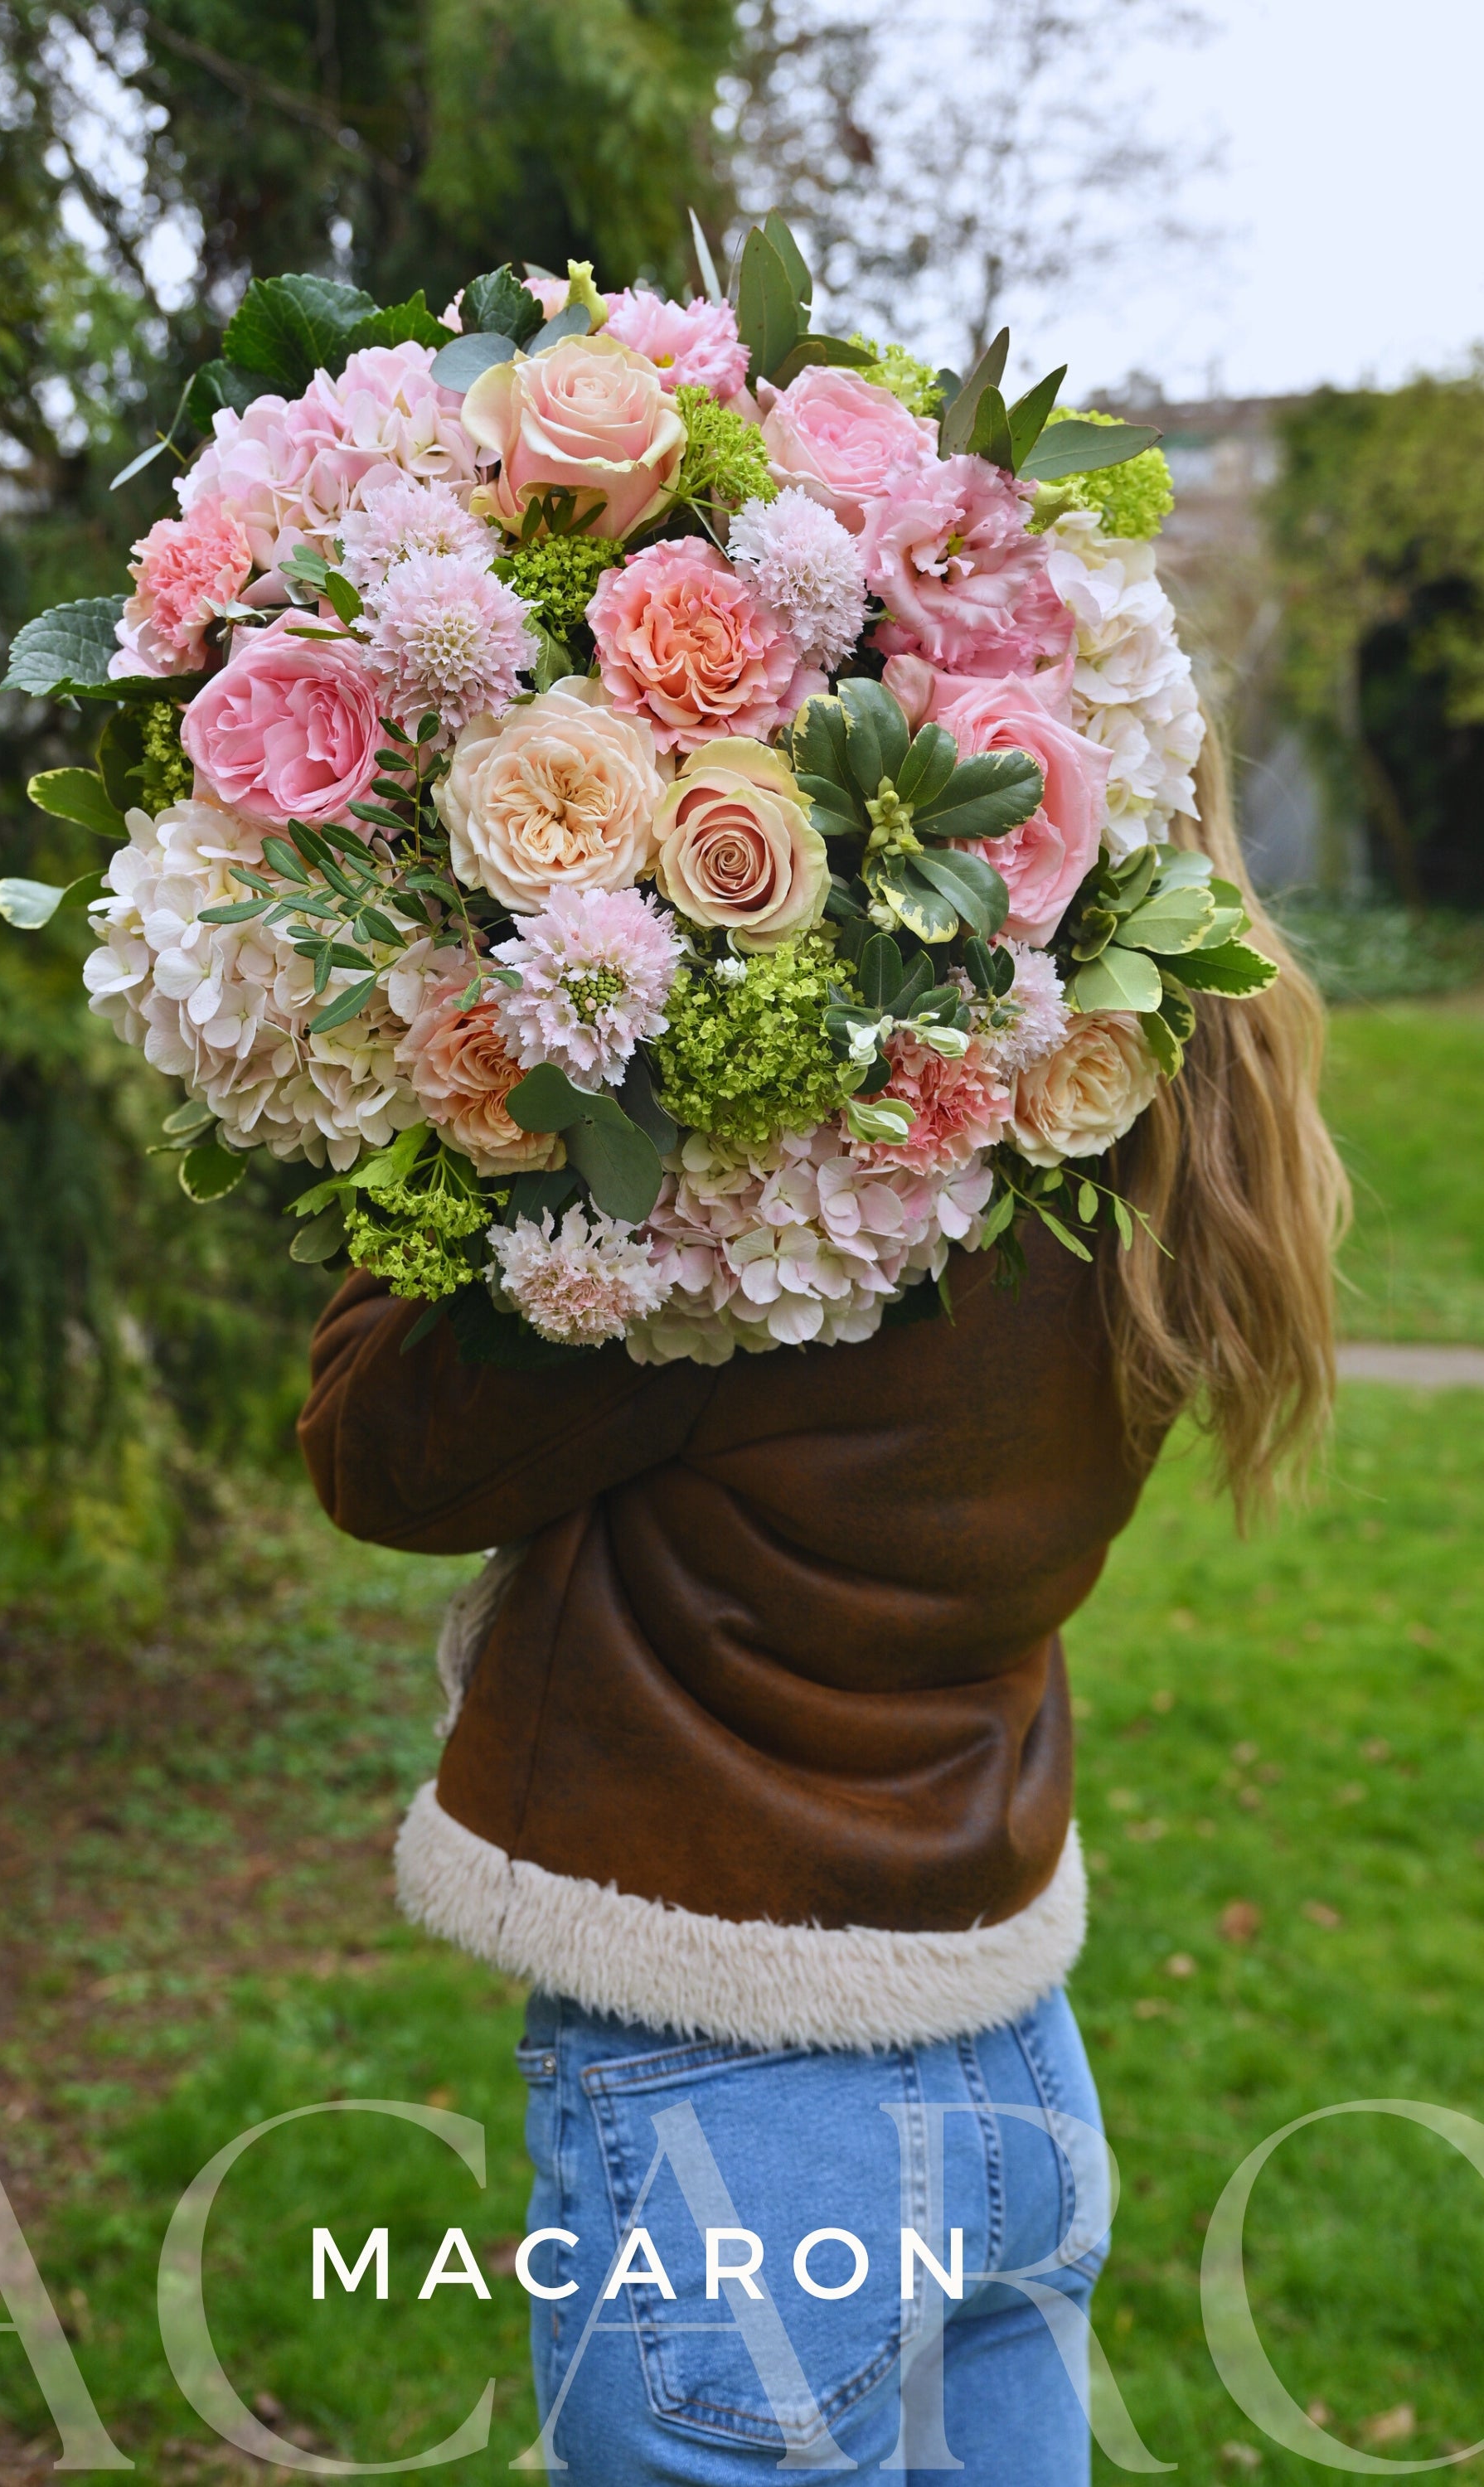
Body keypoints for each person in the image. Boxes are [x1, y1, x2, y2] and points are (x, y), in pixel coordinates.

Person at [298, 729, 1346, 2484]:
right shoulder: (1141, 1146)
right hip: (1006, 2057)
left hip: (741, 2099)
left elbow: (379, 1451)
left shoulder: (778, 1200)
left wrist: (495, 1088)